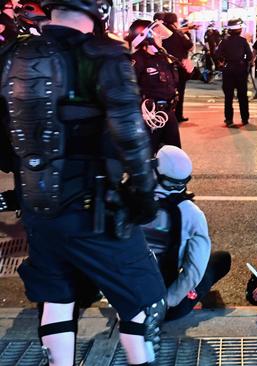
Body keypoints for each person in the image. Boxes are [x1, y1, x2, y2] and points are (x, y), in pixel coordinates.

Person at [0, 0, 168, 364]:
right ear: (98, 10)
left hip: (38, 207)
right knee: (145, 298)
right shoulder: (104, 53)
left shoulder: (13, 53)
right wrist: (142, 193)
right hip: (93, 206)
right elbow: (130, 133)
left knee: (58, 298)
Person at [142, 146, 231, 320]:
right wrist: (165, 304)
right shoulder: (191, 213)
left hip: (128, 304)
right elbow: (194, 271)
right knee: (221, 259)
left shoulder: (132, 200)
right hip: (167, 307)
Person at [128, 19, 182, 152]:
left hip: (169, 113)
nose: (160, 37)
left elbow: (174, 82)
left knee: (175, 154)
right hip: (150, 117)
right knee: (149, 156)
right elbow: (128, 90)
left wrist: (189, 71)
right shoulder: (137, 61)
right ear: (146, 38)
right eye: (156, 33)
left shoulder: (163, 57)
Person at [214, 18, 252, 127]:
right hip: (241, 70)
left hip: (228, 69)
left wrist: (222, 62)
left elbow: (217, 55)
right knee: (242, 96)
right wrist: (244, 62)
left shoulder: (224, 41)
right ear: (239, 29)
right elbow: (249, 56)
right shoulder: (243, 41)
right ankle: (245, 118)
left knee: (228, 96)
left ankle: (229, 119)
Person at [161, 12, 193, 123]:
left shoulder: (160, 32)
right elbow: (189, 45)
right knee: (180, 91)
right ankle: (178, 115)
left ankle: (165, 114)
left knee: (165, 91)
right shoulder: (177, 33)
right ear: (175, 21)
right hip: (178, 67)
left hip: (163, 66)